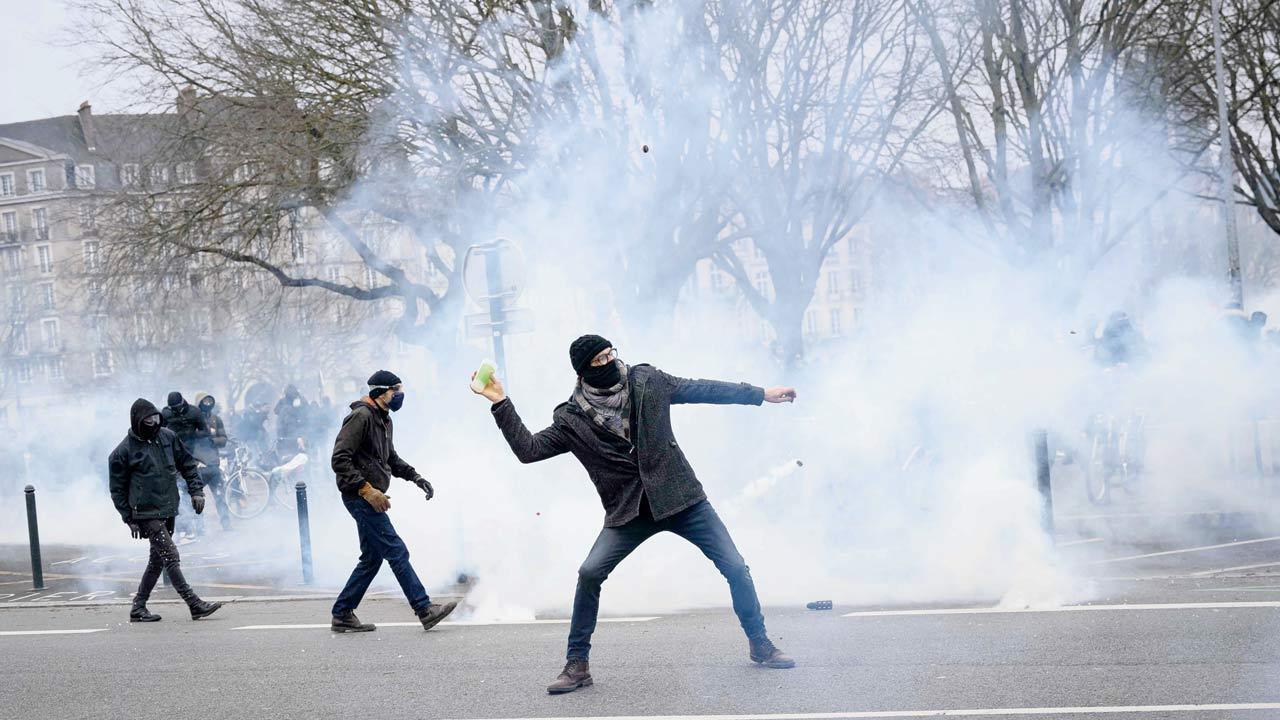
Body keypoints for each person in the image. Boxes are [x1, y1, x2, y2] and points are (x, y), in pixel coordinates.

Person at [473, 334, 798, 694]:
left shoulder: (647, 381)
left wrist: (759, 394)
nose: (610, 362)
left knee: (736, 566)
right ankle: (577, 665)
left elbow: (701, 388)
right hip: (628, 511)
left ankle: (761, 644)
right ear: (583, 371)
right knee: (589, 573)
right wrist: (500, 401)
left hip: (682, 499)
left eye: (611, 354)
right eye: (599, 360)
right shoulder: (572, 419)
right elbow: (529, 449)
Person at [329, 370, 457, 633]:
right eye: (395, 390)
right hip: (360, 497)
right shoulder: (361, 416)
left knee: (371, 559)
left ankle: (342, 613)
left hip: (370, 495)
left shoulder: (383, 419)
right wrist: (366, 489)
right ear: (380, 392)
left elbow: (390, 458)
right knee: (396, 550)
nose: (400, 395)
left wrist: (416, 477)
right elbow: (339, 459)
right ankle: (424, 608)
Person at [108, 398, 223, 623]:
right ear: (137, 421)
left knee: (157, 560)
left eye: (155, 418)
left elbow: (187, 464)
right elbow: (117, 489)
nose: (153, 422)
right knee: (171, 555)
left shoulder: (168, 437)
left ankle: (138, 607)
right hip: (145, 512)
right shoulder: (122, 452)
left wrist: (196, 491)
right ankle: (194, 604)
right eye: (148, 419)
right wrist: (128, 518)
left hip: (168, 507)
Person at [162, 391, 210, 538]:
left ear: (183, 402)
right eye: (173, 408)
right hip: (173, 457)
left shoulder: (195, 412)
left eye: (178, 407)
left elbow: (205, 431)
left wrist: (192, 435)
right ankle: (184, 529)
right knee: (178, 493)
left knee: (194, 491)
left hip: (191, 455)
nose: (176, 410)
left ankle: (200, 529)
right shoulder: (165, 414)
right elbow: (158, 431)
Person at [193, 393, 233, 531]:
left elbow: (223, 439)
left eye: (210, 401)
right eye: (205, 401)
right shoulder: (192, 421)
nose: (208, 404)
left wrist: (212, 440)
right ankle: (199, 529)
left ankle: (226, 525)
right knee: (197, 499)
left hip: (214, 465)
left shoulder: (216, 420)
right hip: (198, 466)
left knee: (220, 496)